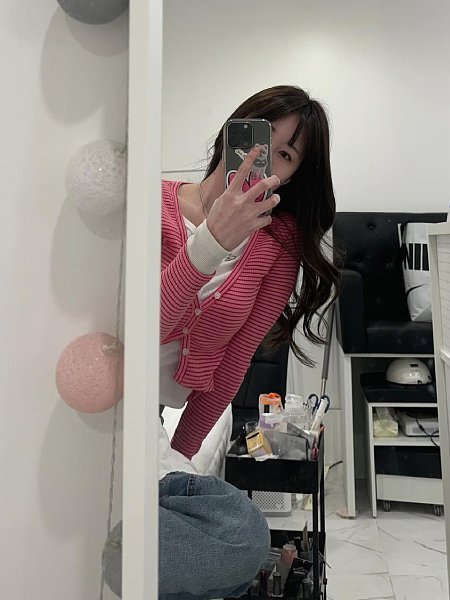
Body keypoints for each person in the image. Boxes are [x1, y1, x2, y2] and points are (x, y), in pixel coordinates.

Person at [103, 85, 340, 599]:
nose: (262, 156)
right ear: (234, 130)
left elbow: (232, 364)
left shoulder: (277, 247)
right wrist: (210, 242)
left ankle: (119, 554)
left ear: (292, 175)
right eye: (258, 136)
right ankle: (117, 554)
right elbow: (130, 338)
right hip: (105, 392)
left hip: (148, 419)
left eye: (284, 154)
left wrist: (177, 464)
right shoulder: (149, 202)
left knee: (244, 537)